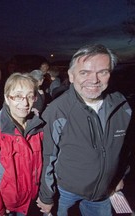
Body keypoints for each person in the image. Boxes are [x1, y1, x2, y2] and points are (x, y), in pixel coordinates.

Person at [37, 44, 132, 216]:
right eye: (84, 73)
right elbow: (47, 157)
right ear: (71, 76)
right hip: (65, 193)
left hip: (104, 193)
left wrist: (120, 176)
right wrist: (46, 196)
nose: (94, 80)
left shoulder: (122, 105)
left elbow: (125, 147)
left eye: (102, 72)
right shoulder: (58, 110)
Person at [0, 72, 44, 216]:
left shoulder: (38, 126)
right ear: (7, 98)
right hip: (7, 205)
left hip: (31, 203)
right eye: (18, 96)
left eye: (29, 96)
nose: (25, 103)